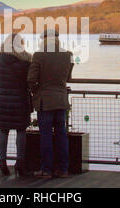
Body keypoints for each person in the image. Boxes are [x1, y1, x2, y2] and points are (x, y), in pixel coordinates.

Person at [27, 29, 74, 178]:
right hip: (61, 100)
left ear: (44, 40)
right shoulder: (67, 55)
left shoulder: (39, 55)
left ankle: (46, 170)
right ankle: (63, 169)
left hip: (44, 102)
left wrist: (36, 91)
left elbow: (31, 79)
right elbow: (68, 78)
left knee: (46, 136)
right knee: (61, 136)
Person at [0, 33, 32, 177]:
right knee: (21, 130)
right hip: (19, 100)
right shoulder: (26, 61)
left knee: (4, 130)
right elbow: (29, 81)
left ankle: (2, 162)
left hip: (1, 100)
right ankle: (20, 163)